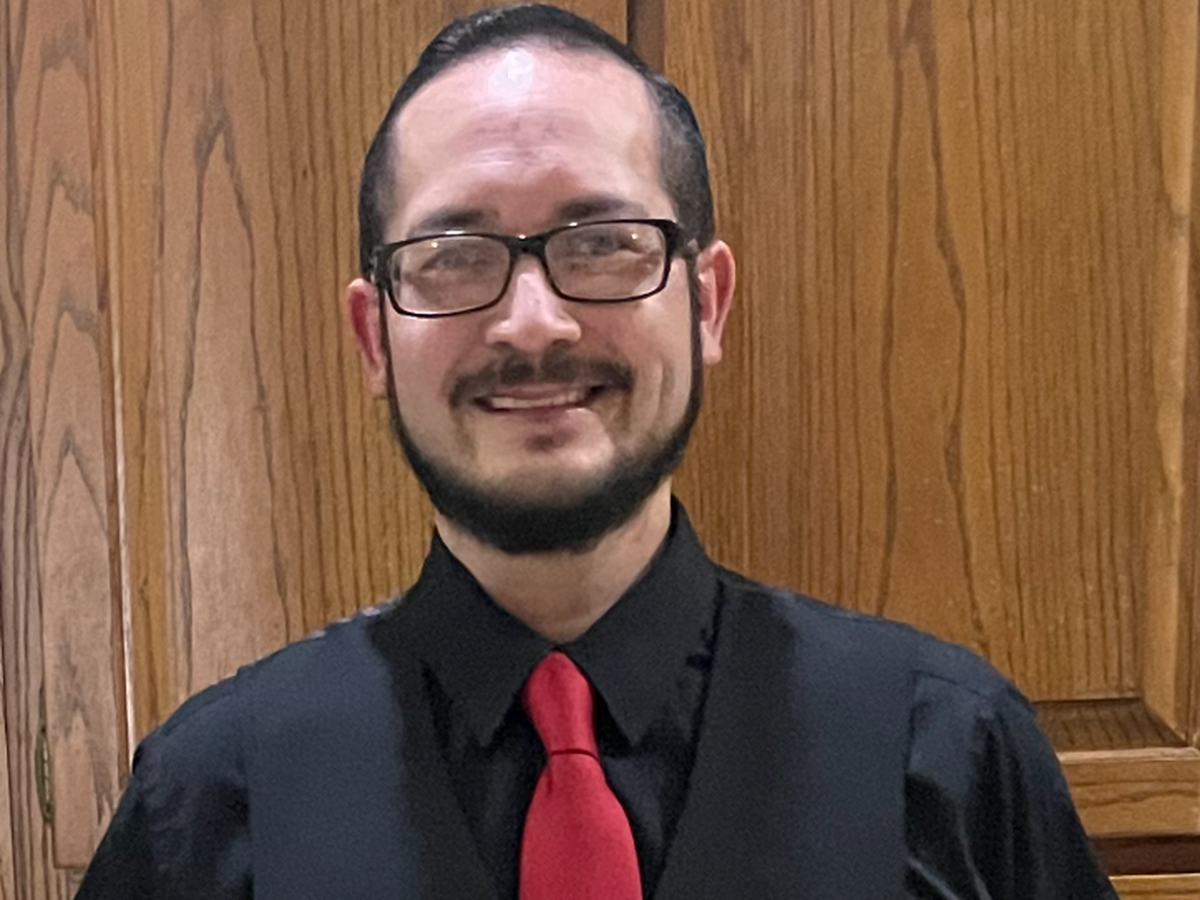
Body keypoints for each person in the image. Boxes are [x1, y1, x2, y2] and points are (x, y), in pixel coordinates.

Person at [77, 5, 1118, 898]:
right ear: (374, 339)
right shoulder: (207, 804)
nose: (533, 323)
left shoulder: (948, 759)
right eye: (453, 256)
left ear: (705, 303)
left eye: (603, 244)